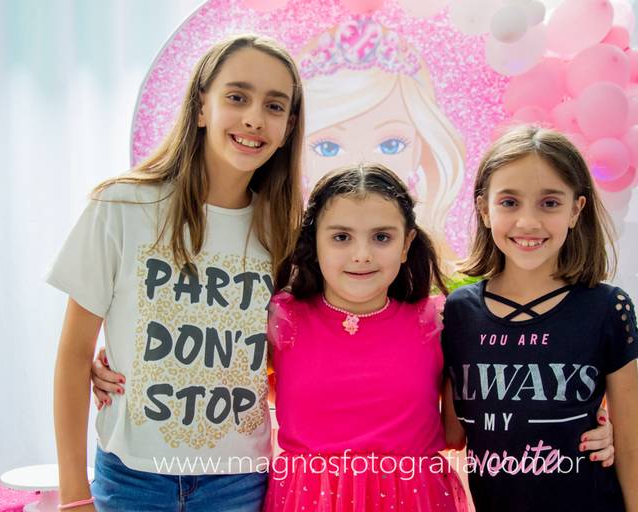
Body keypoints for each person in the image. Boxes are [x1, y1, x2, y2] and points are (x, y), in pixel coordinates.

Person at [47, 33, 305, 512]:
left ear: (288, 127)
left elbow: (285, 352)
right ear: (201, 106)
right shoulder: (121, 206)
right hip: (132, 479)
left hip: (237, 481)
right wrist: (73, 496)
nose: (254, 118)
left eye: (274, 106)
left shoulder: (285, 231)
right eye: (237, 97)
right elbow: (73, 354)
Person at [442, 125, 638, 511]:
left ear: (576, 209)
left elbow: (630, 444)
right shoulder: (458, 312)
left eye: (550, 203)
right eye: (509, 202)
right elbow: (452, 433)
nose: (528, 222)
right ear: (483, 209)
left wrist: (608, 433)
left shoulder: (607, 308)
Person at [262, 163, 468, 511]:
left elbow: (455, 434)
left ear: (406, 244)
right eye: (341, 237)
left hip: (414, 502)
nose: (362, 255)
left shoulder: (433, 322)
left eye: (382, 237)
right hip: (309, 501)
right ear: (315, 242)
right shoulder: (284, 320)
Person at [298, 18, 466, 265]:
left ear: (420, 149)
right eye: (328, 148)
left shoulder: (450, 286)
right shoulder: (275, 277)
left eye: (391, 145)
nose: (361, 166)